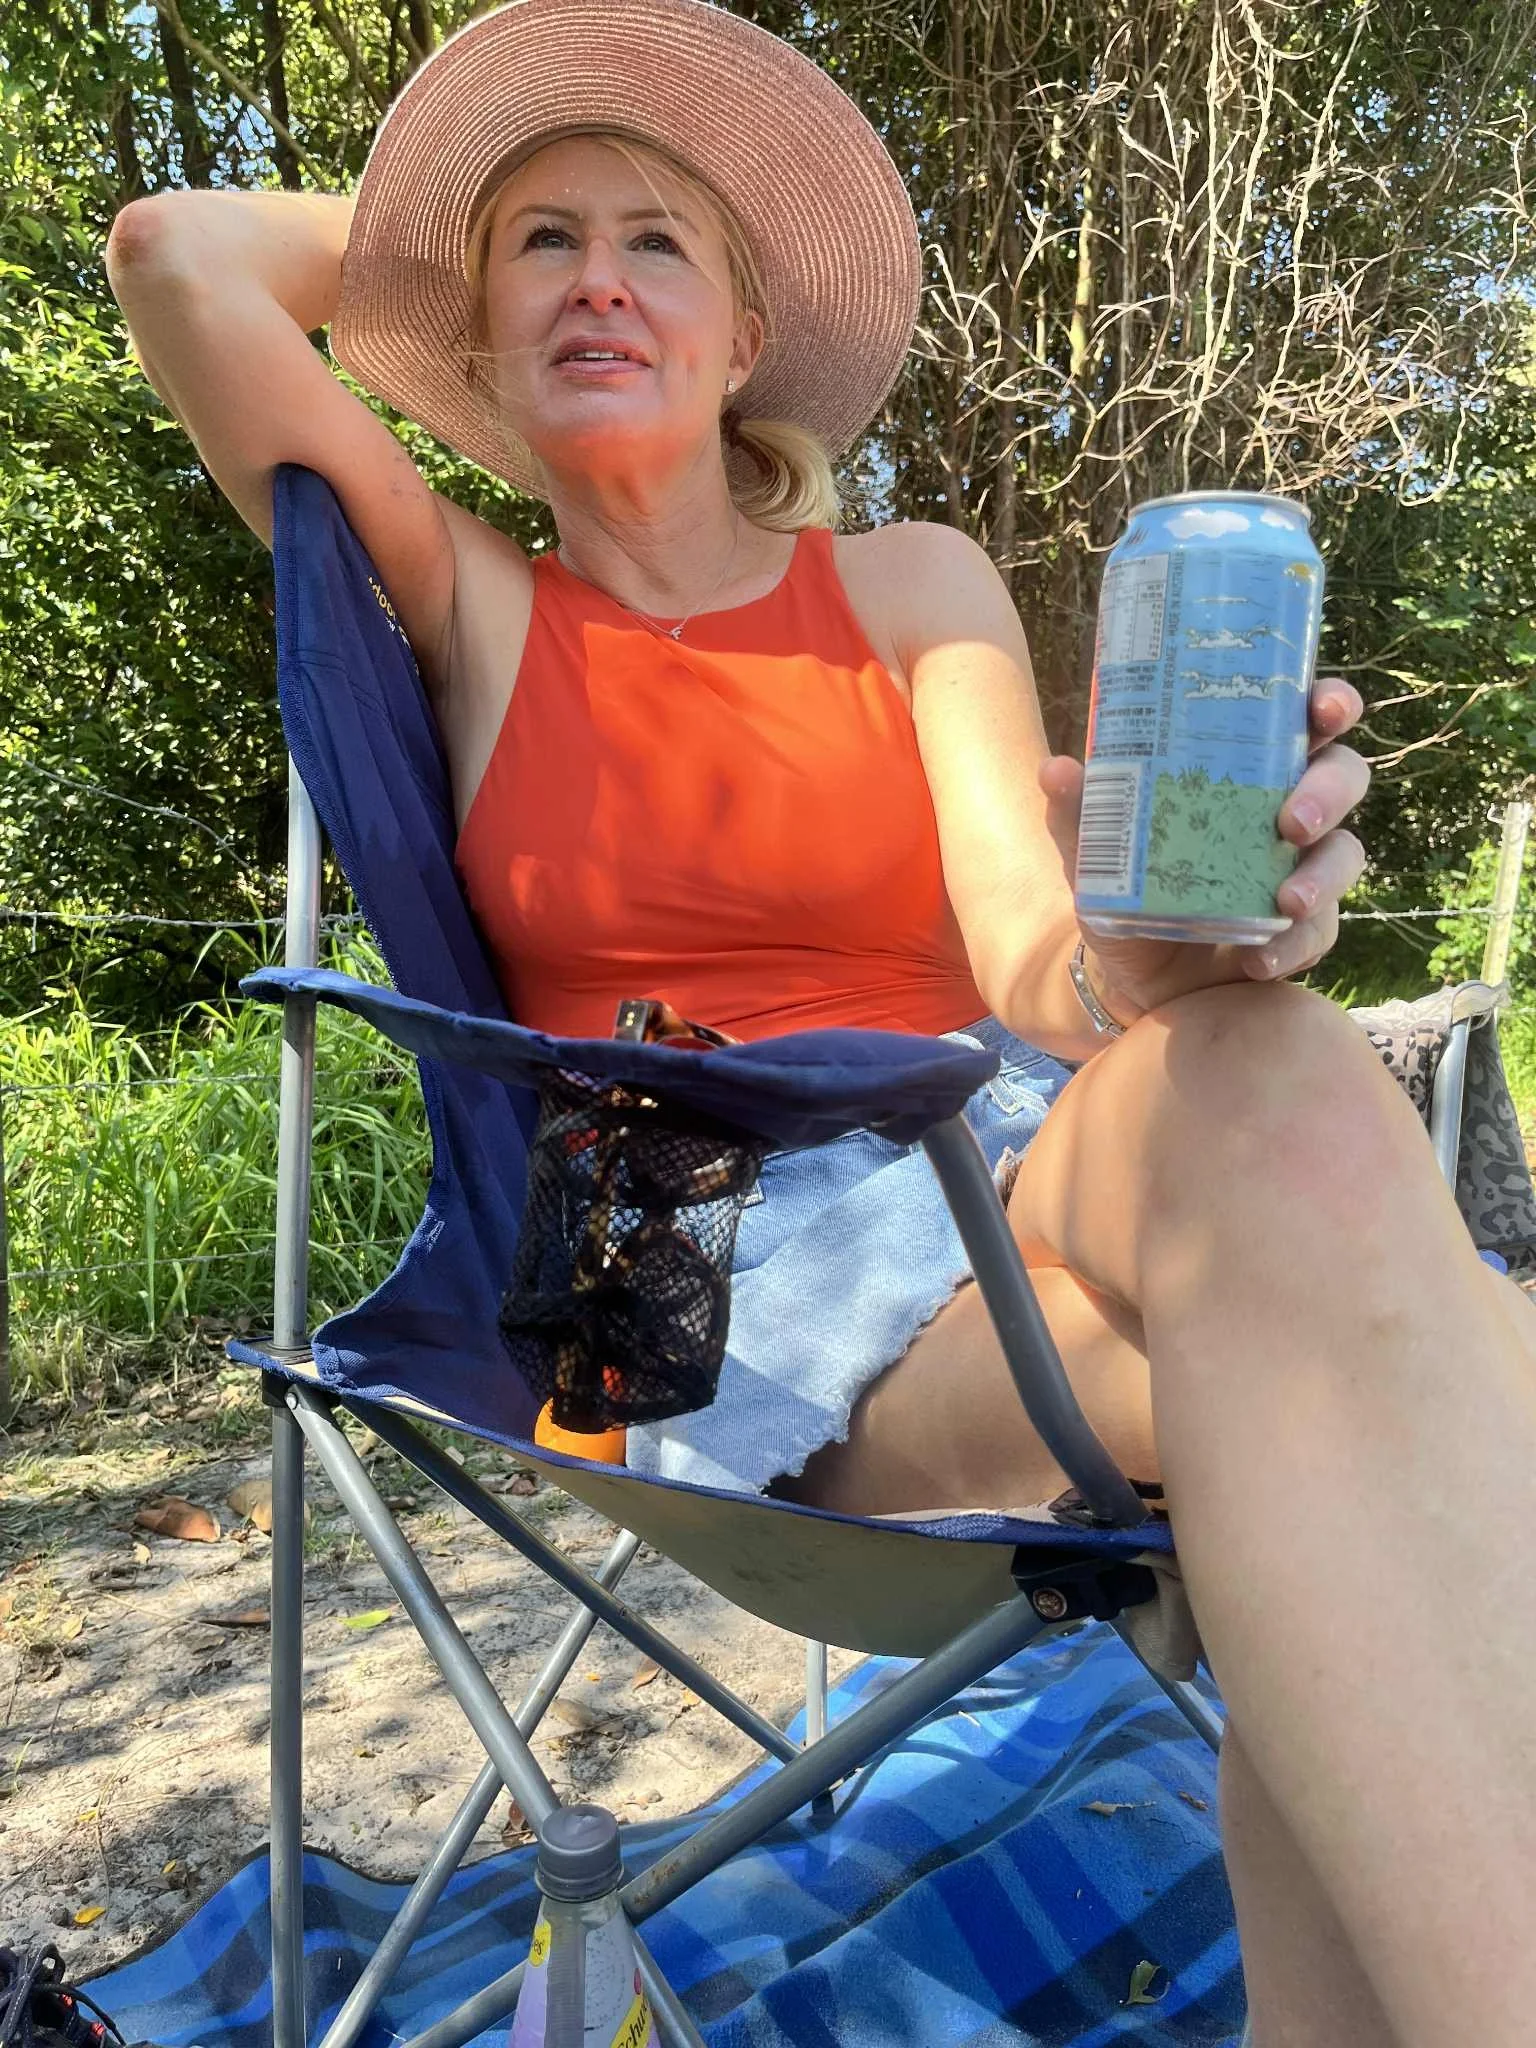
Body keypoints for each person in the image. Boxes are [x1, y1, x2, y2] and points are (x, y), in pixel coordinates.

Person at [104, 2, 1536, 2040]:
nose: (599, 278)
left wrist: (1159, 960)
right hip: (678, 1245)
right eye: (544, 246)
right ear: (479, 339)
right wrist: (444, 261)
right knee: (1376, 1402)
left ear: (749, 336)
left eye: (659, 246)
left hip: (981, 1137)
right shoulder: (480, 607)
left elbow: (1034, 959)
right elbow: (178, 255)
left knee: (1279, 1076)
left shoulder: (909, 584)